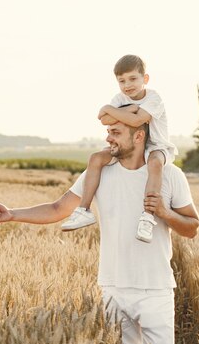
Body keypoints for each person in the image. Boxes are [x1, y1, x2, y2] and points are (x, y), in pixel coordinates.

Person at [0, 120, 199, 344]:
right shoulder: (97, 173)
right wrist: (11, 215)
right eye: (108, 131)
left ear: (138, 136)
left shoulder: (170, 175)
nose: (107, 137)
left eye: (115, 132)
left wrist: (163, 212)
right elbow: (58, 208)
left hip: (156, 289)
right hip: (112, 287)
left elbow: (192, 226)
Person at [61, 55, 178, 244]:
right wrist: (128, 108)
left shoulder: (154, 98)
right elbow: (104, 119)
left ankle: (147, 217)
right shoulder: (119, 98)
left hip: (155, 145)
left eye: (133, 79)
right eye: (121, 81)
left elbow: (136, 121)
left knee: (155, 163)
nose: (127, 85)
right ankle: (84, 210)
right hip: (128, 145)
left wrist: (114, 110)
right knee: (96, 158)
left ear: (145, 79)